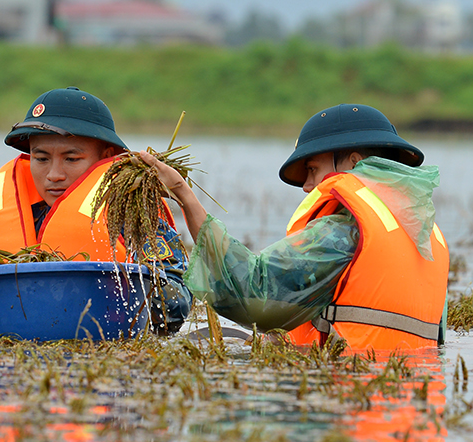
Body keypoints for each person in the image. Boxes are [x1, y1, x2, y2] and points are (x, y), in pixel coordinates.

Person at [139, 103, 449, 353]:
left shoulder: (343, 232)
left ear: (353, 163)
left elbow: (252, 293)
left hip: (347, 404)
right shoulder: (425, 234)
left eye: (313, 170)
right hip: (401, 405)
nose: (308, 186)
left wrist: (184, 193)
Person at [0, 87, 191, 334]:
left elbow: (177, 303)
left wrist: (111, 294)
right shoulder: (27, 212)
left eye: (71, 159)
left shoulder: (130, 212)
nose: (54, 175)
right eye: (41, 159)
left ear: (106, 157)